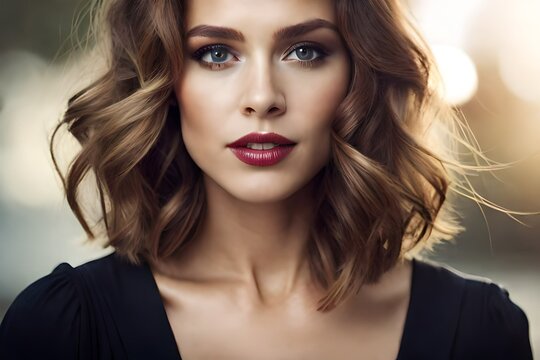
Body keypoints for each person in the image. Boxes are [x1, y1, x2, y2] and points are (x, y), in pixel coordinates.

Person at [0, 0, 533, 359]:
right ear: (161, 80)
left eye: (304, 51)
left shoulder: (479, 332)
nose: (262, 95)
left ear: (359, 77)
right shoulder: (65, 329)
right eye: (216, 53)